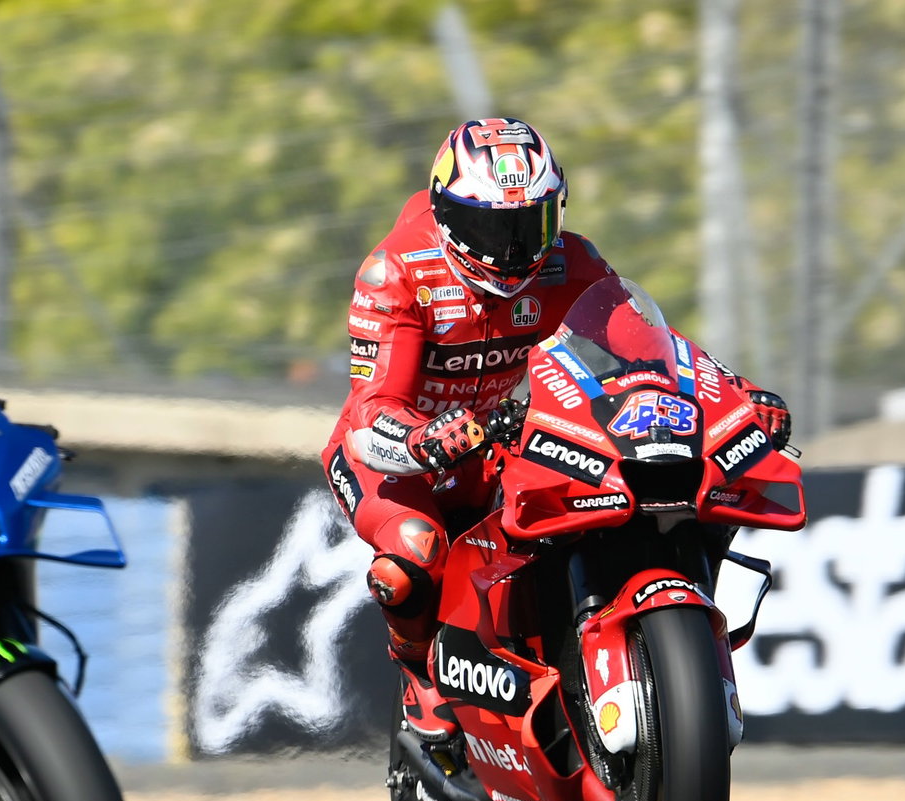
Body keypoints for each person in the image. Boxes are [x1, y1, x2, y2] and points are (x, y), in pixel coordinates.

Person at [322, 118, 791, 743]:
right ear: (448, 215)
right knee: (413, 553)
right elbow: (369, 409)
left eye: (532, 224)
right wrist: (421, 440)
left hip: (496, 435)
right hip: (394, 454)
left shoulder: (573, 262)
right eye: (494, 228)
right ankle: (419, 678)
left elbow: (650, 350)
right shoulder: (397, 275)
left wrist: (732, 396)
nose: (513, 248)